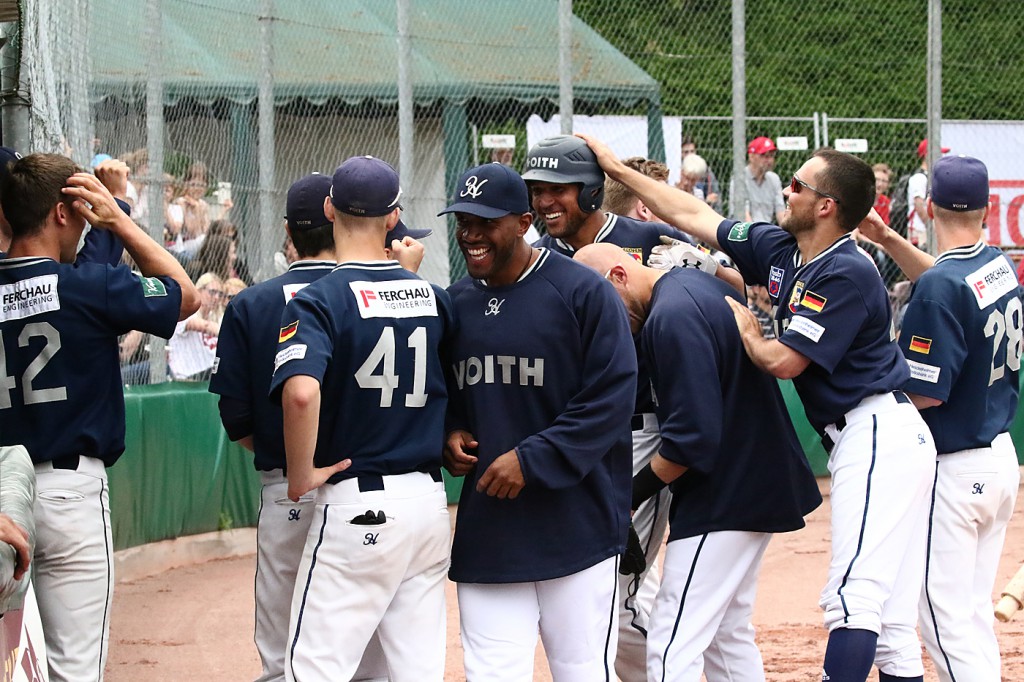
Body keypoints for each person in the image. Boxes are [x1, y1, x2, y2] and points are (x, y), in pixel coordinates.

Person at [581, 133, 937, 682]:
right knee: (885, 622)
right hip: (871, 435)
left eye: (798, 185)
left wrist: (750, 332)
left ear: (826, 206)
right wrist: (616, 171)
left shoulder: (847, 271)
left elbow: (785, 361)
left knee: (852, 599)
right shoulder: (783, 248)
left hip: (878, 432)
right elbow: (694, 212)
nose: (786, 190)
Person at [574, 242, 821, 680]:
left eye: (602, 307)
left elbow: (690, 442)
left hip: (726, 496)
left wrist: (627, 497)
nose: (605, 323)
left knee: (672, 643)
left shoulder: (671, 317)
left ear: (619, 275)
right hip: (752, 481)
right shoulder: (689, 288)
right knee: (727, 636)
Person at [0, 153, 198, 681]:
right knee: (74, 669)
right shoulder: (90, 286)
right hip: (69, 495)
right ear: (63, 213)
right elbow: (185, 294)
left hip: (0, 493)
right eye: (82, 215)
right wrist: (118, 218)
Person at [440, 161, 636, 681]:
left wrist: (532, 459)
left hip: (576, 523)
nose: (472, 235)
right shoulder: (455, 305)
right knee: (491, 674)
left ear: (524, 222)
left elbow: (611, 397)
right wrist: (449, 430)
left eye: (486, 222)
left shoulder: (581, 292)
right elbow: (445, 395)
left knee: (581, 673)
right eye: (463, 221)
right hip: (492, 531)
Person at [271, 156, 452, 682]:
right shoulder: (434, 297)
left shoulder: (318, 298)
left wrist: (301, 473)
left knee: (314, 671)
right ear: (394, 217)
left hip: (357, 504)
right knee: (416, 671)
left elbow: (301, 394)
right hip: (426, 503)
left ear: (329, 208)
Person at [524, 137, 699, 680]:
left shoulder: (647, 240)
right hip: (573, 437)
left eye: (559, 190)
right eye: (536, 191)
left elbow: (732, 288)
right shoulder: (536, 260)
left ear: (594, 190)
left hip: (642, 431)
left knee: (614, 595)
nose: (545, 202)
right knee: (587, 590)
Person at [210, 172, 389, 682]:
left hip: (286, 486)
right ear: (338, 221)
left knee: (282, 653)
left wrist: (290, 457)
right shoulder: (373, 292)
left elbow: (236, 418)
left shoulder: (253, 302)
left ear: (289, 231)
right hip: (365, 486)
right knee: (368, 647)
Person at [857, 155, 1021, 681]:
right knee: (971, 614)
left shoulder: (942, 288)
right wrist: (886, 239)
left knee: (944, 623)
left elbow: (925, 395)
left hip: (956, 472)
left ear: (927, 208)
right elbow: (947, 280)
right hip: (999, 460)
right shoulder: (995, 262)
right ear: (987, 206)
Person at [168, 271, 223, 381]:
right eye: (212, 292)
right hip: (186, 375)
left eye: (220, 294)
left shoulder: (215, 316)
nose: (216, 297)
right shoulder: (187, 312)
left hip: (208, 374)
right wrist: (226, 333)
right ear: (199, 291)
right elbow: (204, 326)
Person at [728, 136, 785, 225]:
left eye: (771, 156)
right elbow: (743, 214)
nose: (769, 160)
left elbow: (780, 211)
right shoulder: (739, 178)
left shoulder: (774, 179)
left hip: (766, 230)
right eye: (763, 156)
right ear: (751, 156)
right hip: (744, 230)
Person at [907, 139, 950, 249]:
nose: (942, 157)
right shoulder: (920, 177)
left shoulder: (931, 176)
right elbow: (919, 206)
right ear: (928, 155)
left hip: (927, 230)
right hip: (920, 230)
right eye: (939, 154)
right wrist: (932, 228)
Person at [679, 135, 721, 211]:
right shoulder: (676, 173)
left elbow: (715, 194)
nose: (690, 155)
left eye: (692, 151)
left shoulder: (705, 171)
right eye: (686, 152)